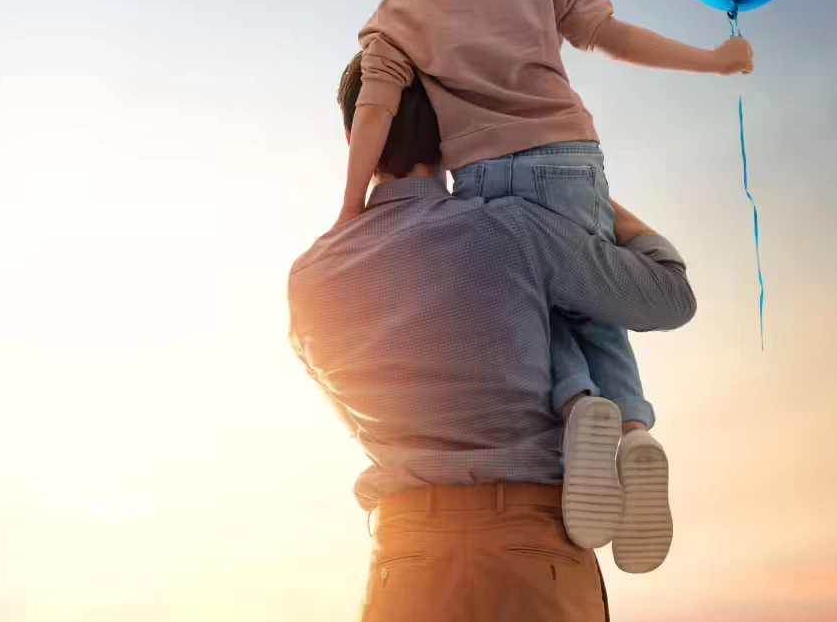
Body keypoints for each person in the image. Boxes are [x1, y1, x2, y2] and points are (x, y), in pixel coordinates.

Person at [334, 0, 750, 570]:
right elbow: (613, 39)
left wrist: (350, 208)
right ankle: (631, 432)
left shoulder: (403, 5)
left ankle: (575, 405)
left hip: (489, 179)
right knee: (593, 301)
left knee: (533, 300)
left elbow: (374, 108)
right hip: (572, 162)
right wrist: (711, 61)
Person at [290, 52, 697, 620]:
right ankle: (628, 423)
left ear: (357, 135)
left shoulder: (309, 279)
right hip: (532, 554)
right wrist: (580, 200)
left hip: (402, 562)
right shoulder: (516, 227)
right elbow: (670, 298)